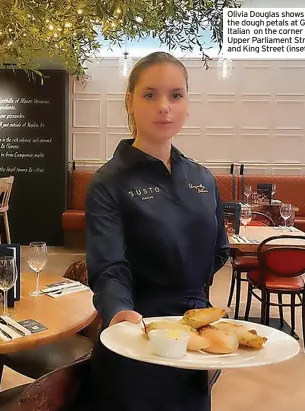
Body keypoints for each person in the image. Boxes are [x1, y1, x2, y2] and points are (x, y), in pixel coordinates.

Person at [85, 51, 230, 411]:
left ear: (186, 104)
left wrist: (195, 308)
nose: (164, 106)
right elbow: (108, 268)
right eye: (150, 95)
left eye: (175, 95)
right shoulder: (108, 182)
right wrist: (119, 312)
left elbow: (218, 251)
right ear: (130, 102)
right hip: (137, 333)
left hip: (194, 335)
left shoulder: (202, 178)